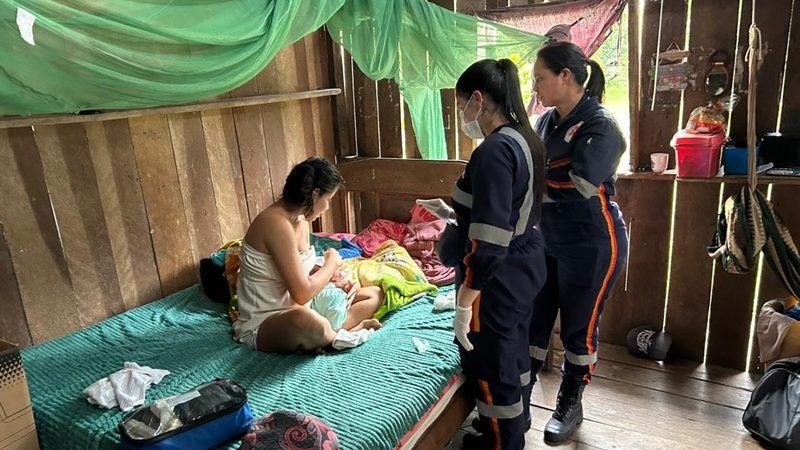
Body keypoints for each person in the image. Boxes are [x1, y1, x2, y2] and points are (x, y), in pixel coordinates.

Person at [443, 58, 549, 450]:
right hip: (525, 261)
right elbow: (511, 207)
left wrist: (464, 301)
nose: (463, 116)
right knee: (514, 351)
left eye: (461, 106)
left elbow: (488, 242)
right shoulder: (527, 138)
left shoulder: (493, 151)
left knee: (492, 363)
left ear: (477, 99)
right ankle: (506, 430)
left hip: (496, 275)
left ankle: (503, 442)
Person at [528, 41, 628, 442]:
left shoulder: (600, 124)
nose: (534, 86)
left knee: (578, 329)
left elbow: (582, 185)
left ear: (565, 76)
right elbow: (539, 173)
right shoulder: (545, 122)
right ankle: (516, 397)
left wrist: (531, 189)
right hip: (549, 240)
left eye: (539, 78)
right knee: (534, 320)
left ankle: (570, 403)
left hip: (592, 244)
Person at [232, 157, 382, 353]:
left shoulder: (301, 219)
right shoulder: (276, 224)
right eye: (328, 200)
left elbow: (297, 271)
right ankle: (340, 336)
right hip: (267, 322)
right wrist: (331, 264)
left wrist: (338, 282)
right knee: (307, 321)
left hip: (303, 307)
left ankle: (322, 337)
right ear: (315, 194)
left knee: (374, 293)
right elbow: (301, 293)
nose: (327, 207)